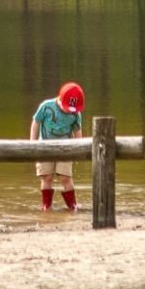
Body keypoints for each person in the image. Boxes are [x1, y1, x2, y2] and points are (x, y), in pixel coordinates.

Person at [31, 82, 86, 212]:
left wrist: (79, 147)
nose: (69, 111)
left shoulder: (75, 114)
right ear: (60, 100)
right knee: (47, 177)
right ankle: (46, 206)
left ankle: (72, 205)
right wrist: (32, 143)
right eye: (67, 107)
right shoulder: (46, 107)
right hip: (44, 146)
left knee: (65, 177)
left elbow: (77, 130)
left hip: (66, 148)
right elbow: (36, 122)